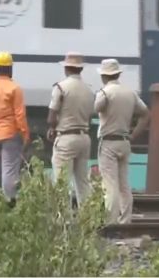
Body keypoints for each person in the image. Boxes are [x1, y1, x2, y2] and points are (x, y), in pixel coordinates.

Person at [94, 58, 151, 224]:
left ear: (104, 76)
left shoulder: (104, 93)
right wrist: (134, 135)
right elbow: (146, 114)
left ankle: (110, 221)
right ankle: (125, 219)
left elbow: (96, 108)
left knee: (110, 184)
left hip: (108, 142)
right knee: (124, 184)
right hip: (125, 141)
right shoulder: (130, 93)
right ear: (118, 74)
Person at [0, 51, 30, 201]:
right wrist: (25, 134)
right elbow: (19, 115)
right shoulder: (14, 89)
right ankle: (9, 201)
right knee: (9, 169)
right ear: (10, 69)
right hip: (10, 135)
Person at [46, 51, 95, 205]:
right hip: (84, 138)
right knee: (82, 183)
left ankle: (63, 222)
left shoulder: (60, 88)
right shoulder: (89, 89)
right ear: (80, 69)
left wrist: (52, 128)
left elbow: (51, 117)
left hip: (66, 138)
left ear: (66, 68)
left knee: (62, 183)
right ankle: (87, 219)